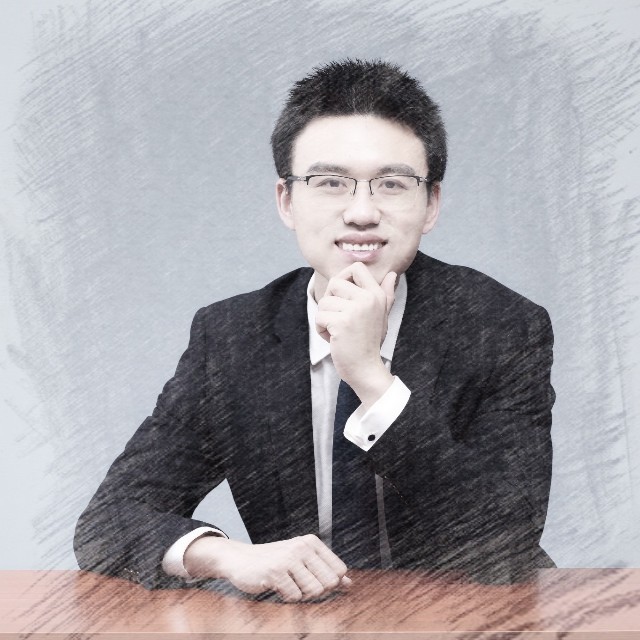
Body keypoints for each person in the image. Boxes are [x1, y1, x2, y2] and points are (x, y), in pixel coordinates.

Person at [74, 59, 555, 601]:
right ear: (287, 201)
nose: (361, 212)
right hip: (303, 619)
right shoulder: (232, 338)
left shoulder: (501, 326)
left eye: (392, 184)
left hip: (468, 618)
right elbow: (109, 520)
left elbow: (506, 543)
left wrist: (370, 378)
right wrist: (229, 556)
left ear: (430, 205)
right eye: (330, 183)